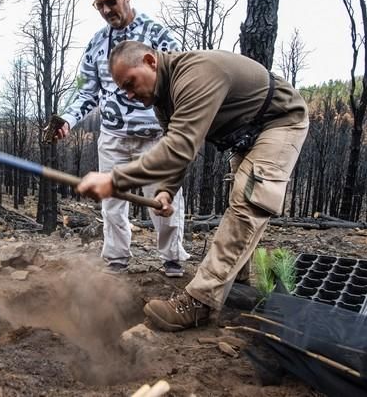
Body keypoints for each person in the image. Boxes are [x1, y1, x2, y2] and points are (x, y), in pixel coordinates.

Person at [76, 40, 309, 332]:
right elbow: (175, 145)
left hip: (280, 122)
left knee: (248, 204)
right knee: (244, 203)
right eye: (123, 89)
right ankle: (236, 282)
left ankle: (200, 300)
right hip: (245, 134)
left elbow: (180, 147)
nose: (130, 94)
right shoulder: (164, 97)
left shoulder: (196, 73)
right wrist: (166, 191)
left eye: (130, 83)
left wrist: (115, 179)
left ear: (150, 61)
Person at [54, 0, 189, 276]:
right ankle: (116, 259)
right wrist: (68, 119)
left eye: (111, 2)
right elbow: (86, 91)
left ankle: (172, 260)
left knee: (163, 199)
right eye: (98, 5)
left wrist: (177, 127)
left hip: (155, 136)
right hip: (113, 136)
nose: (105, 10)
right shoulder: (96, 44)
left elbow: (177, 82)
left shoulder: (158, 36)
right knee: (111, 201)